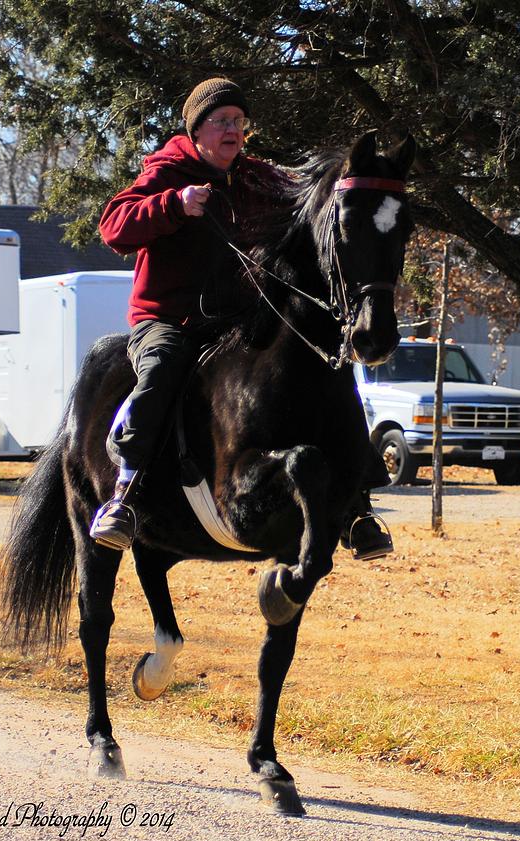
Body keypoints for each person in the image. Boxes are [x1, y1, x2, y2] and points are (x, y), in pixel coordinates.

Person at [90, 78, 393, 560]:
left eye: (239, 122)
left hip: (239, 319)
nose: (233, 130)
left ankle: (357, 505)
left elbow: (315, 201)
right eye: (222, 121)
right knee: (164, 365)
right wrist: (174, 204)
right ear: (197, 130)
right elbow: (114, 226)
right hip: (170, 320)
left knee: (325, 368)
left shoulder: (258, 178)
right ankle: (123, 494)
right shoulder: (168, 171)